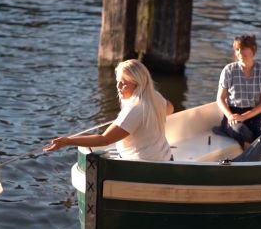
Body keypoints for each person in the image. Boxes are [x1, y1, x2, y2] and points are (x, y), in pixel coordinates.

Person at [43, 59, 174, 161]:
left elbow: (104, 140)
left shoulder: (135, 109)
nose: (118, 87)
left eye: (124, 82)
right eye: (117, 81)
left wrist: (68, 141)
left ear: (137, 83)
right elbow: (170, 108)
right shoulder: (154, 96)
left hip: (144, 166)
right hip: (166, 159)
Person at [216, 34, 261, 149]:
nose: (240, 53)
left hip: (255, 115)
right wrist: (230, 116)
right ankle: (250, 161)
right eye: (237, 49)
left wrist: (245, 117)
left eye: (244, 49)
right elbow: (220, 99)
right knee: (242, 132)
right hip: (234, 114)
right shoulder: (229, 70)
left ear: (253, 50)